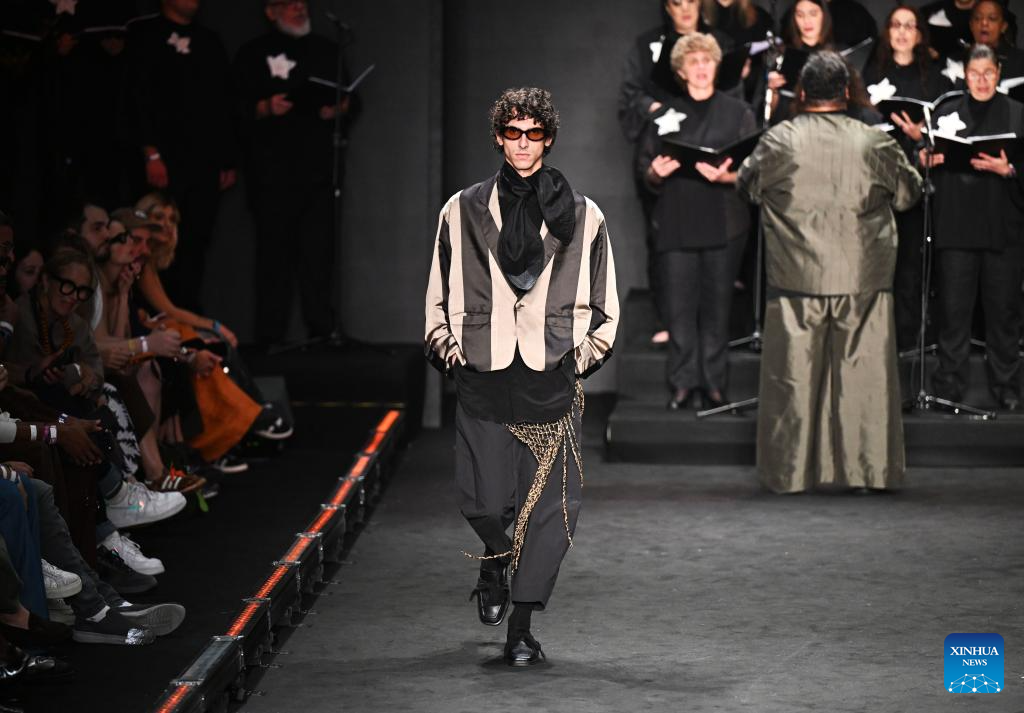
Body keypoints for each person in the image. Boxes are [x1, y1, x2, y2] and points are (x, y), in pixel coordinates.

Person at [424, 87, 618, 666]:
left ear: (548, 139)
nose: (524, 143)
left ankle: (522, 628)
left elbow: (605, 308)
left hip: (549, 380)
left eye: (534, 133)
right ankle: (495, 558)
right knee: (483, 502)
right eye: (514, 132)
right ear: (499, 137)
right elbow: (437, 296)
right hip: (482, 373)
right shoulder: (460, 210)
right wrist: (452, 354)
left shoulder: (584, 214)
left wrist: (576, 360)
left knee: (550, 512)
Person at [737, 52, 922, 493]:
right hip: (862, 275)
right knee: (864, 376)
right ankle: (868, 472)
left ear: (802, 92)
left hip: (796, 274)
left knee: (794, 376)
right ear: (847, 92)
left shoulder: (780, 139)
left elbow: (747, 185)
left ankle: (790, 473)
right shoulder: (874, 142)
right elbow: (908, 193)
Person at [639, 33, 756, 410]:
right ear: (681, 70)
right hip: (676, 220)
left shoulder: (738, 113)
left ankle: (714, 384)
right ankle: (683, 382)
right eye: (694, 61)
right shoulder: (663, 115)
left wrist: (728, 176)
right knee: (680, 308)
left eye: (707, 60)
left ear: (717, 67)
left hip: (725, 223)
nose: (701, 67)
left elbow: (756, 171)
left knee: (717, 308)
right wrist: (655, 172)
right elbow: (644, 167)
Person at [235, 0, 356, 346]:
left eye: (302, 3)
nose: (298, 8)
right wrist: (265, 107)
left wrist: (340, 107)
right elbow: (233, 106)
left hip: (318, 171)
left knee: (318, 254)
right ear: (270, 11)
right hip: (272, 174)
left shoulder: (326, 49)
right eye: (289, 4)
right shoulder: (254, 53)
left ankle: (322, 330)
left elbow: (351, 99)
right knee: (274, 256)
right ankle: (270, 336)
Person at [619, 0, 728, 346]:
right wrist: (656, 108)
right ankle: (668, 318)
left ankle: (712, 328)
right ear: (667, 7)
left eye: (691, 1)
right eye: (677, 2)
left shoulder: (721, 41)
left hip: (713, 151)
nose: (685, 9)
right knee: (661, 238)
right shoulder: (647, 44)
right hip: (664, 149)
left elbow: (734, 97)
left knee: (719, 243)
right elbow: (630, 96)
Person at [923, 44, 1024, 409]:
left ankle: (1006, 386)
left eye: (988, 73)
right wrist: (926, 159)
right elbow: (924, 159)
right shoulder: (946, 112)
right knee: (953, 313)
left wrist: (1009, 170)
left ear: (999, 74)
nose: (981, 81)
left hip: (1003, 229)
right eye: (974, 74)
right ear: (964, 75)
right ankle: (949, 384)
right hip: (956, 226)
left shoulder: (1017, 114)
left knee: (1004, 314)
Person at [121, 0, 237, 313]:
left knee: (194, 239)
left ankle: (185, 313)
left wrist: (227, 159)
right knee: (155, 235)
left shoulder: (209, 41)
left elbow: (223, 102)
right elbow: (137, 97)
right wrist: (150, 153)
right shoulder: (144, 35)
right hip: (163, 161)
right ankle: (150, 311)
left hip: (203, 162)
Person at [864, 5, 953, 351]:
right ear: (887, 31)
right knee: (873, 265)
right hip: (874, 182)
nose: (902, 32)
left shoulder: (935, 80)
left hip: (916, 185)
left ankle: (905, 342)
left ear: (919, 34)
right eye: (896, 25)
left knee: (909, 269)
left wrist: (920, 135)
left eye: (909, 26)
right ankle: (872, 341)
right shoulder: (870, 74)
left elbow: (948, 134)